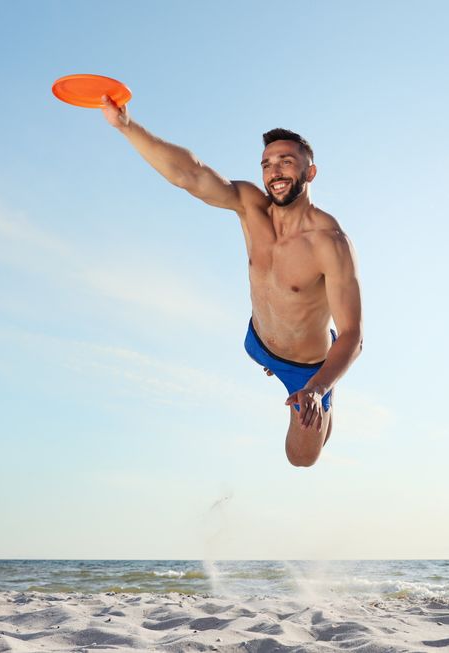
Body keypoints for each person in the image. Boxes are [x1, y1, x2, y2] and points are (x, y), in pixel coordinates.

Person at [100, 96, 362, 467]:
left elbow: (354, 335)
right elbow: (191, 174)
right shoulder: (250, 207)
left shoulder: (330, 242)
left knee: (301, 459)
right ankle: (302, 378)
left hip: (306, 370)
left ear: (311, 173)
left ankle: (328, 394)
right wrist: (126, 125)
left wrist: (318, 388)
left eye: (287, 162)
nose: (275, 172)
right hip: (256, 342)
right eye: (267, 164)